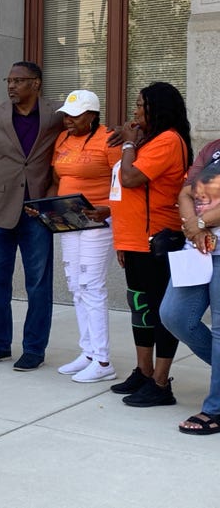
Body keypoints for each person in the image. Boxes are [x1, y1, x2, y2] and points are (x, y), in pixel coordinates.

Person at [0, 61, 63, 371]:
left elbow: (81, 137)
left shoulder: (56, 116)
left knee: (38, 283)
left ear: (36, 84)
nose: (11, 86)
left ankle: (34, 348)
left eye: (19, 81)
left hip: (38, 211)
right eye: (9, 80)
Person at [108, 81, 192, 407]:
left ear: (157, 108)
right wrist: (121, 239)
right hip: (134, 240)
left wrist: (129, 145)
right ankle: (143, 372)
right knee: (140, 308)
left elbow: (131, 178)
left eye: (141, 105)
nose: (135, 111)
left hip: (156, 240)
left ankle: (160, 382)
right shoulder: (150, 141)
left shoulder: (169, 141)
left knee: (159, 313)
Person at [42, 90, 122, 382]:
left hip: (97, 219)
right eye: (66, 115)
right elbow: (56, 178)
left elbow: (124, 183)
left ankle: (103, 362)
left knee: (91, 285)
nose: (69, 121)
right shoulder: (62, 139)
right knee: (75, 285)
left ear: (92, 116)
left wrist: (109, 209)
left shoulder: (108, 140)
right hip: (68, 217)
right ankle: (88, 352)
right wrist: (46, 209)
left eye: (76, 116)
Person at [160, 143, 220, 433]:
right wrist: (193, 227)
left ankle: (216, 408)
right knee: (174, 315)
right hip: (198, 247)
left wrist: (198, 222)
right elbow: (185, 191)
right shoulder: (214, 149)